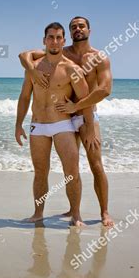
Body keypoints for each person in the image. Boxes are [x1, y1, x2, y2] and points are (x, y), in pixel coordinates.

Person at [19, 16, 114, 227]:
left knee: (96, 164)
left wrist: (84, 117)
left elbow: (105, 90)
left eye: (81, 26)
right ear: (68, 34)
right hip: (64, 115)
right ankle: (73, 209)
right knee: (72, 168)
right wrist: (33, 71)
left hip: (84, 114)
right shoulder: (61, 51)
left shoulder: (99, 57)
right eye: (74, 27)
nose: (78, 29)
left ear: (89, 29)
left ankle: (104, 212)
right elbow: (24, 55)